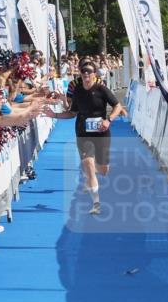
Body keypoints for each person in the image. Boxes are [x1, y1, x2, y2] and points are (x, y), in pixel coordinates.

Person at [42, 61, 122, 215]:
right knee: (88, 166)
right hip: (82, 133)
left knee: (103, 170)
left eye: (89, 73)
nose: (86, 76)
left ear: (94, 74)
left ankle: (93, 178)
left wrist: (109, 120)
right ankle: (96, 204)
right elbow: (72, 113)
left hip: (101, 132)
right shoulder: (77, 90)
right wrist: (55, 115)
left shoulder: (102, 89)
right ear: (80, 74)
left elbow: (117, 106)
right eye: (83, 73)